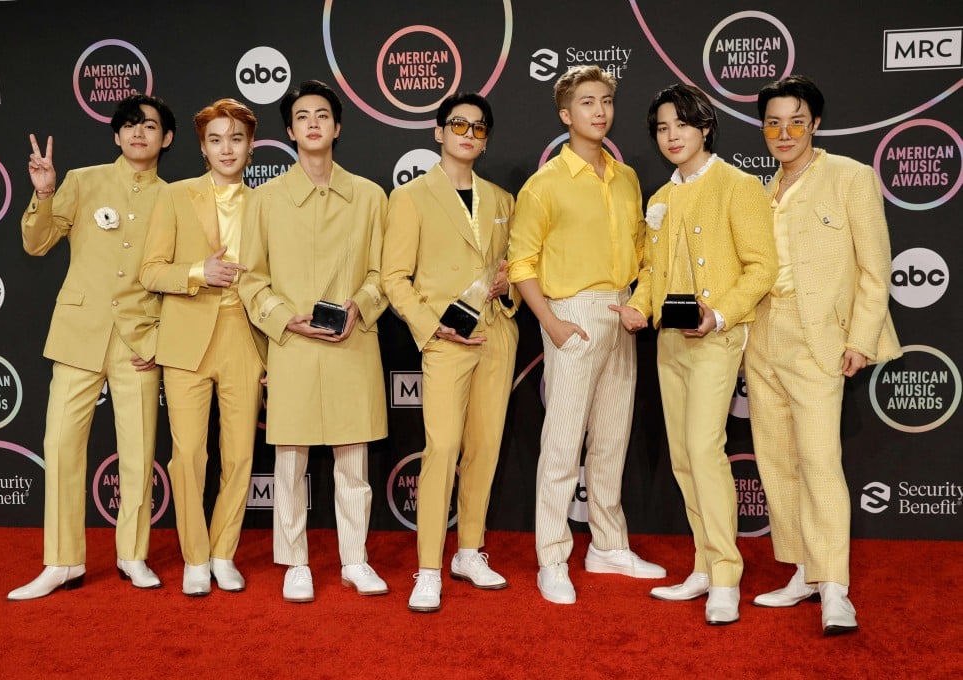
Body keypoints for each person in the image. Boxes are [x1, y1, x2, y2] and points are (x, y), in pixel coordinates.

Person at [745, 75, 901, 635]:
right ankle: (805, 572)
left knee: (818, 460)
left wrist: (859, 338)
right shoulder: (759, 190)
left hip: (819, 339)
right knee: (777, 461)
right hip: (761, 337)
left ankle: (836, 587)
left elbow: (874, 267)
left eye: (795, 120)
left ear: (814, 123)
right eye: (772, 122)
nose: (783, 132)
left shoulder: (851, 177)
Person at [618, 84, 777, 625]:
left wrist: (720, 314)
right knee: (685, 456)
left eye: (681, 125)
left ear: (705, 126)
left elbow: (761, 267)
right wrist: (638, 307)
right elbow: (648, 271)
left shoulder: (738, 185)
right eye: (662, 128)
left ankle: (727, 574)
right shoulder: (659, 199)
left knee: (706, 449)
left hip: (716, 338)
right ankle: (705, 565)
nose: (672, 136)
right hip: (668, 340)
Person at [507, 64, 665, 605]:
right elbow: (521, 262)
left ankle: (607, 544)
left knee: (612, 439)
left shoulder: (626, 179)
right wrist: (551, 323)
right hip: (570, 313)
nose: (599, 112)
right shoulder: (544, 185)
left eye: (606, 102)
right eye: (588, 103)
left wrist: (640, 303)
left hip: (624, 313)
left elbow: (644, 252)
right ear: (565, 115)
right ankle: (552, 556)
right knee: (561, 445)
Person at [9, 94, 176, 600]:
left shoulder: (176, 197)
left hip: (140, 340)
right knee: (59, 446)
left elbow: (175, 274)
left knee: (138, 452)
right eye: (128, 125)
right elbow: (35, 244)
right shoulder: (80, 181)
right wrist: (42, 193)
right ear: (116, 135)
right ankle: (61, 562)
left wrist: (163, 338)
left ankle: (133, 554)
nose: (138, 133)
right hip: (79, 334)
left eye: (148, 126)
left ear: (166, 138)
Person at [239, 80, 389, 602]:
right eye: (302, 116)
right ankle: (295, 562)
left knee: (354, 463)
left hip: (352, 343)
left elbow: (382, 273)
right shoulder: (265, 200)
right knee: (290, 462)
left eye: (322, 114)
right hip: (293, 347)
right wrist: (283, 318)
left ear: (338, 126)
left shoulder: (371, 195)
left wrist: (361, 305)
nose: (313, 124)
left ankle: (356, 559)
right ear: (290, 130)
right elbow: (250, 279)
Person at [382, 93, 518, 613]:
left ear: (485, 140)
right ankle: (428, 568)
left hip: (497, 336)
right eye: (458, 124)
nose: (468, 132)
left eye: (479, 127)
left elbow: (514, 274)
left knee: (484, 449)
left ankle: (468, 551)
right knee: (441, 450)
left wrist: (506, 288)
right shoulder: (411, 197)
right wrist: (431, 326)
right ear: (438, 132)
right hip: (444, 341)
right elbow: (394, 278)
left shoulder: (503, 200)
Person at [140, 98, 267, 596]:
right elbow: (150, 270)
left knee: (238, 455)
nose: (226, 148)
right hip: (187, 335)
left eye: (236, 138)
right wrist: (198, 272)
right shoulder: (175, 197)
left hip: (244, 334)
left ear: (251, 145)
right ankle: (195, 556)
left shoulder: (266, 202)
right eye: (216, 140)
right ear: (201, 147)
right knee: (189, 453)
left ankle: (223, 552)